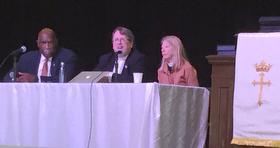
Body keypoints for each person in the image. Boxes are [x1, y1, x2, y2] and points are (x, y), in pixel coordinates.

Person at [3, 28, 77, 82]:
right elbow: (8, 77)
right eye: (43, 43)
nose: (47, 47)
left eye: (50, 42)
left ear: (56, 42)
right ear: (38, 44)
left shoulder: (67, 56)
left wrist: (37, 79)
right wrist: (16, 79)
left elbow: (65, 80)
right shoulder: (27, 58)